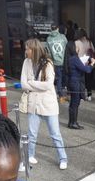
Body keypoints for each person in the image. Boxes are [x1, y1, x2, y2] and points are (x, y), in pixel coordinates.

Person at [21, 39, 68, 170]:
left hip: (48, 104)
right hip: (33, 103)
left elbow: (48, 85)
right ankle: (30, 155)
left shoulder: (47, 63)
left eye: (27, 49)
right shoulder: (26, 62)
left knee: (55, 134)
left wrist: (31, 83)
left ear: (33, 50)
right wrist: (33, 84)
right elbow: (23, 83)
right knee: (32, 132)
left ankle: (63, 158)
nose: (25, 51)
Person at [65, 41, 95, 130]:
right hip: (75, 82)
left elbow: (80, 67)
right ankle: (73, 122)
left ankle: (72, 121)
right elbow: (87, 70)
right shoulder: (74, 58)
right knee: (75, 102)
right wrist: (92, 64)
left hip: (73, 81)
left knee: (73, 103)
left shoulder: (70, 58)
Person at [46, 24, 67, 98]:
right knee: (65, 76)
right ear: (57, 29)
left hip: (55, 62)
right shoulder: (63, 37)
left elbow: (48, 52)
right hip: (64, 61)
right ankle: (64, 90)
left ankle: (60, 94)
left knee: (58, 78)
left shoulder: (48, 39)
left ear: (51, 29)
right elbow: (67, 48)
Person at [75, 28, 95, 100]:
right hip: (88, 62)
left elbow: (76, 53)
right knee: (88, 79)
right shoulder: (89, 42)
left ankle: (81, 95)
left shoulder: (77, 42)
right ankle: (89, 95)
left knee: (81, 80)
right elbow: (93, 50)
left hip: (80, 62)